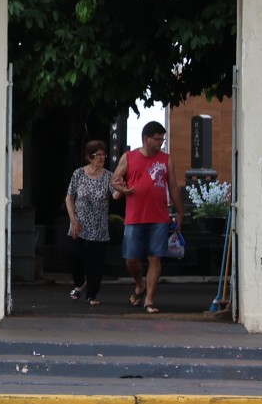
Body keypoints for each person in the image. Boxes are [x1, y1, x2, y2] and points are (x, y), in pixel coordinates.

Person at [112, 121, 177, 314]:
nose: (160, 143)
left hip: (159, 216)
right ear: (146, 138)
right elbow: (115, 179)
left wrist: (179, 211)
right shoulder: (129, 157)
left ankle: (149, 300)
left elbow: (173, 186)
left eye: (162, 139)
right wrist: (123, 188)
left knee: (154, 258)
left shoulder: (166, 159)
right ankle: (140, 284)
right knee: (131, 258)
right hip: (134, 216)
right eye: (157, 139)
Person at [63, 140, 114, 306]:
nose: (101, 158)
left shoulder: (108, 176)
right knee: (73, 252)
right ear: (89, 157)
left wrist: (123, 190)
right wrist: (73, 219)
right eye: (97, 155)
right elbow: (69, 196)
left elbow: (116, 194)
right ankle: (79, 282)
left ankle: (92, 294)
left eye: (103, 155)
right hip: (79, 223)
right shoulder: (78, 174)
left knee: (95, 261)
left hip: (98, 226)